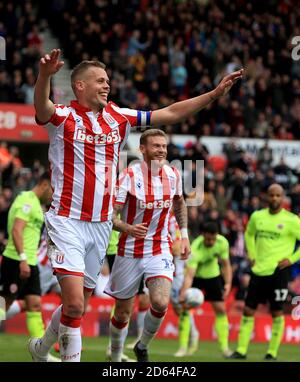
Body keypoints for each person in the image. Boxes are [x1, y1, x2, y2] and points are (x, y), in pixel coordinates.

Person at [28, 48, 243, 362]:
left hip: (101, 226)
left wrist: (213, 94)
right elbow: (42, 106)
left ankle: (40, 349)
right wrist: (45, 75)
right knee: (74, 305)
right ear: (80, 86)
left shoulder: (119, 117)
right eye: (100, 81)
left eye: (108, 81)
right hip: (66, 220)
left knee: (79, 307)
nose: (107, 85)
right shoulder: (63, 117)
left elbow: (167, 114)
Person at [104, 129, 190, 362]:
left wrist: (184, 234)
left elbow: (180, 204)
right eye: (156, 146)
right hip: (129, 251)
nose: (161, 150)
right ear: (143, 149)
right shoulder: (129, 176)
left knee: (161, 302)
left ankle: (142, 346)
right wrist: (128, 228)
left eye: (164, 146)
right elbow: (111, 216)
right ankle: (115, 355)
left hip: (159, 247)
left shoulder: (173, 174)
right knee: (122, 313)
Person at [230, 184, 300, 361]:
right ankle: (241, 350)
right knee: (248, 310)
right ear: (266, 197)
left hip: (279, 272)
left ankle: (272, 353)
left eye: (278, 195)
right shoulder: (257, 216)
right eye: (271, 195)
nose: (275, 198)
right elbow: (248, 234)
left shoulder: (292, 220)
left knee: (276, 311)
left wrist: (291, 259)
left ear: (283, 198)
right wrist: (252, 254)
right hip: (258, 270)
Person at [0, 172, 59, 361]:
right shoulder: (26, 199)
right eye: (53, 188)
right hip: (16, 259)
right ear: (44, 184)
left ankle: (41, 354)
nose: (54, 194)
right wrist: (23, 259)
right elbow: (17, 230)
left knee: (34, 305)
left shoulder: (36, 204)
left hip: (30, 262)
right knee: (4, 302)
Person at [179, 222, 233, 358]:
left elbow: (226, 265)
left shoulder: (222, 243)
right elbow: (190, 275)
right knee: (185, 308)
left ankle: (225, 348)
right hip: (196, 277)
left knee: (221, 310)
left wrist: (228, 283)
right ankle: (183, 347)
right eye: (208, 239)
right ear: (203, 235)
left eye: (213, 239)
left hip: (213, 276)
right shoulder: (195, 248)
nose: (211, 242)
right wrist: (183, 293)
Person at [169, 212, 199, 357]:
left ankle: (191, 338)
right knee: (177, 308)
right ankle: (193, 334)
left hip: (178, 272)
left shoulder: (173, 220)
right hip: (170, 270)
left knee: (182, 307)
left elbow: (176, 247)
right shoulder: (165, 217)